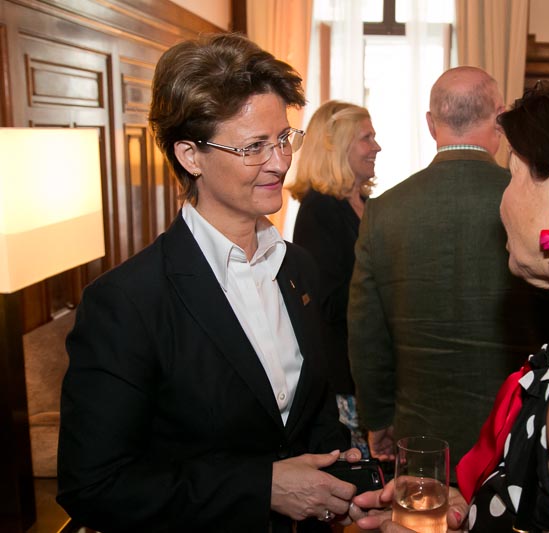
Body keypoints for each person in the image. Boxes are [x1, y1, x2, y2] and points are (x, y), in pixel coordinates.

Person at [57, 33, 362, 533]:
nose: (280, 162)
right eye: (253, 147)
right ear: (190, 156)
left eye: (283, 138)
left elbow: (313, 415)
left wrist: (344, 484)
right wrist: (262, 488)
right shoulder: (126, 302)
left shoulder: (299, 269)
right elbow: (93, 487)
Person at [347, 66, 549, 474]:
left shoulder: (384, 211)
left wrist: (377, 418)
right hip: (516, 430)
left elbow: (366, 332)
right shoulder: (533, 203)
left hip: (420, 436)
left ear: (431, 123)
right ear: (501, 119)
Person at [288, 100, 382, 456]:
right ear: (337, 146)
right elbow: (326, 300)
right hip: (342, 375)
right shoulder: (319, 209)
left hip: (369, 372)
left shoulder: (370, 205)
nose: (376, 147)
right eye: (366, 138)